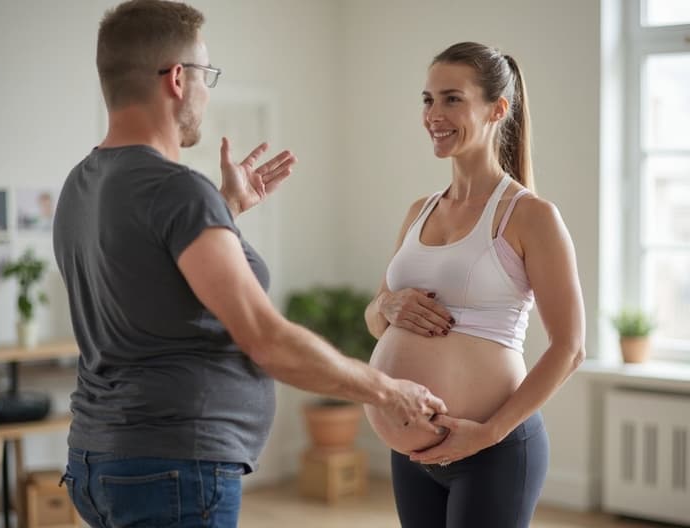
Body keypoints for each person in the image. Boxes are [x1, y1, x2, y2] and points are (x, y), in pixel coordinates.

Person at [52, 2, 447, 527]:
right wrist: (389, 390)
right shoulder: (176, 191)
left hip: (97, 460)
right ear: (176, 78)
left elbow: (150, 286)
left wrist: (226, 208)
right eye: (206, 74)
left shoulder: (80, 185)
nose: (206, 92)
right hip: (173, 468)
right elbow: (267, 340)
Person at [363, 42, 586, 528]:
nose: (433, 114)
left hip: (493, 450)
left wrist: (488, 433)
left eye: (451, 99)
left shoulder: (531, 216)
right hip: (412, 454)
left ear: (497, 109)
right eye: (427, 99)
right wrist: (389, 302)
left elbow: (569, 348)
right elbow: (375, 319)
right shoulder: (419, 210)